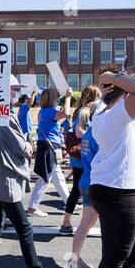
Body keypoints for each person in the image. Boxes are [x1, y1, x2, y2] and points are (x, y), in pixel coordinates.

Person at [0, 77, 65, 268]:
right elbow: (20, 146)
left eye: (17, 89)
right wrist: (28, 146)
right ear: (2, 89)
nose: (16, 92)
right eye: (13, 88)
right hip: (6, 179)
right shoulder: (3, 113)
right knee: (24, 228)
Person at [89, 67, 135, 268]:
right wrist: (114, 78)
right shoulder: (116, 114)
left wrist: (112, 84)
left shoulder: (104, 109)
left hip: (116, 192)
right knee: (114, 261)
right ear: (124, 92)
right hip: (120, 195)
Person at [59, 86, 101, 235]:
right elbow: (79, 132)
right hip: (84, 157)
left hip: (82, 157)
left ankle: (69, 223)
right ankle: (69, 224)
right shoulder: (86, 112)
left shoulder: (83, 110)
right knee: (80, 190)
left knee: (78, 190)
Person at [64, 103, 101, 268]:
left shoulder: (88, 134)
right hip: (98, 183)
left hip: (86, 180)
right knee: (113, 226)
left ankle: (74, 260)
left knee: (85, 224)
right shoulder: (100, 134)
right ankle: (121, 263)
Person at [27, 88, 73, 217]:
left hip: (47, 146)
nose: (58, 98)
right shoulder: (50, 112)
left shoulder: (44, 111)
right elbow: (66, 113)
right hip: (49, 147)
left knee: (58, 178)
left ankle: (70, 203)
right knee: (44, 177)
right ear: (52, 99)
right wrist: (68, 97)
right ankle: (32, 207)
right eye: (57, 97)